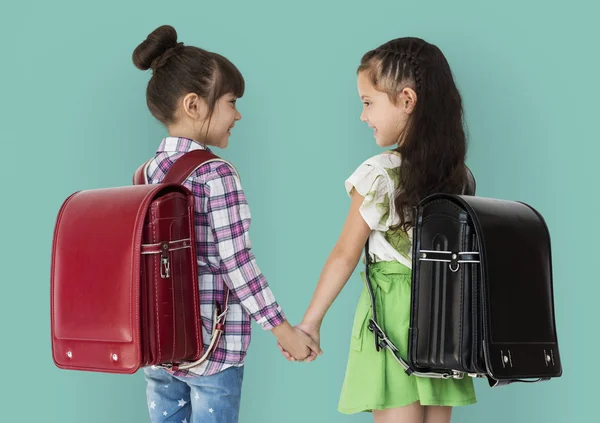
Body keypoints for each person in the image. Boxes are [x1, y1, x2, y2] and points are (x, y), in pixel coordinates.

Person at [279, 37, 477, 423]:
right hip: (444, 317)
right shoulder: (460, 177)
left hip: (394, 316)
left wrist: (311, 323)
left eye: (368, 102)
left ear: (406, 100)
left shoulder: (380, 173)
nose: (363, 116)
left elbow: (345, 254)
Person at [133, 24, 321, 423]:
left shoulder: (144, 175)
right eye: (231, 101)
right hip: (213, 350)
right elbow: (236, 262)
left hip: (158, 345)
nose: (237, 114)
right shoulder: (215, 174)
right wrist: (283, 330)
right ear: (194, 105)